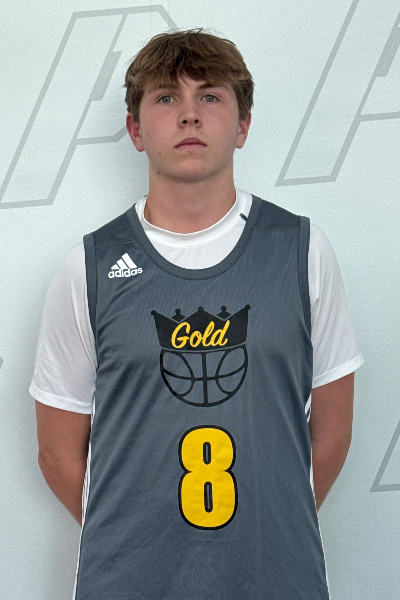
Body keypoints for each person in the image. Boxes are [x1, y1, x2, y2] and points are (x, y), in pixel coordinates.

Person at [31, 28, 364, 600]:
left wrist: (269, 527)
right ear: (136, 129)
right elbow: (58, 453)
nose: (190, 114)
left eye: (210, 95)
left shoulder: (302, 250)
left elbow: (332, 433)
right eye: (166, 97)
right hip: (129, 582)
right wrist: (136, 538)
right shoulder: (88, 267)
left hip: (275, 578)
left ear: (243, 124)